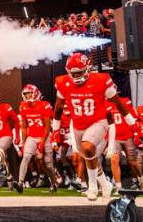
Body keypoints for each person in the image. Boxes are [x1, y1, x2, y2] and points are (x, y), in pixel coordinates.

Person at [52, 52, 135, 200]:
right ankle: (105, 184)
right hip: (78, 125)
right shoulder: (62, 82)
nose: (76, 77)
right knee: (89, 156)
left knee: (88, 147)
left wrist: (128, 117)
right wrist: (56, 128)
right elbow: (58, 107)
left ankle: (92, 186)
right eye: (73, 74)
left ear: (88, 69)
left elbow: (117, 101)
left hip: (98, 121)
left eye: (79, 73)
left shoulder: (101, 80)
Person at [15, 84, 60, 193]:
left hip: (45, 136)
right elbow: (24, 127)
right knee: (26, 157)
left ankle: (54, 183)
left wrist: (42, 143)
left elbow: (47, 126)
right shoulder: (23, 106)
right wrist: (23, 143)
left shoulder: (44, 105)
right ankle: (20, 183)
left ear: (36, 93)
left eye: (30, 93)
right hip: (32, 136)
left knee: (48, 163)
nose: (28, 95)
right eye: (26, 94)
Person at [106, 96, 143, 191]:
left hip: (127, 135)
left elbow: (133, 118)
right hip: (114, 137)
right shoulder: (103, 103)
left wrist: (136, 133)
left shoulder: (124, 101)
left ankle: (141, 180)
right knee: (114, 160)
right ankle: (119, 187)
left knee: (132, 161)